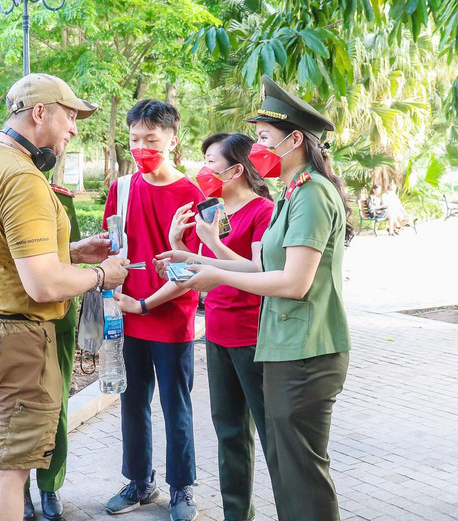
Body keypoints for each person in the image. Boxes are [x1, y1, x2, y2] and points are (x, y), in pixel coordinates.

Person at [156, 75, 352, 521]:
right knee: (288, 470)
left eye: (264, 138)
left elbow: (293, 283)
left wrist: (212, 273)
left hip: (307, 351)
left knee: (300, 473)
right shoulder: (293, 193)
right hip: (287, 348)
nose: (257, 147)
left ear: (295, 139)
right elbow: (264, 268)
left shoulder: (313, 195)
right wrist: (198, 261)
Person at [0, 73, 129, 521]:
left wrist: (69, 252)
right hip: (14, 341)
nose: (73, 128)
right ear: (39, 113)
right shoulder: (23, 177)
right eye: (69, 116)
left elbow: (3, 252)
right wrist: (100, 273)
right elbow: (44, 285)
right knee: (12, 471)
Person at [102, 99, 206, 521]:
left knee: (175, 407)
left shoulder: (192, 194)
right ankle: (139, 481)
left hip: (170, 317)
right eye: (134, 140)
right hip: (126, 314)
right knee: (132, 402)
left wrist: (143, 303)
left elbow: (192, 271)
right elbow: (111, 249)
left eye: (151, 139)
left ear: (172, 140)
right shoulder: (122, 188)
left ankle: (181, 488)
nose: (142, 147)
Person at [168, 133, 273, 521]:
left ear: (236, 170)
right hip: (216, 332)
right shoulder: (207, 210)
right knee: (229, 433)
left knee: (269, 433)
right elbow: (197, 270)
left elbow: (258, 270)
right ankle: (236, 515)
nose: (204, 170)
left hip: (252, 336)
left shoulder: (263, 211)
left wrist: (210, 244)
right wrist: (177, 242)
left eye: (211, 162)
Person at [22, 179, 83, 521]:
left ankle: (50, 483)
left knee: (56, 402)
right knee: (18, 409)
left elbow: (69, 255)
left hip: (57, 315)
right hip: (14, 318)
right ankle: (20, 489)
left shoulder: (60, 198)